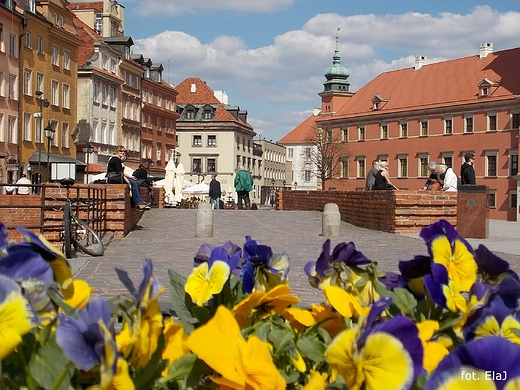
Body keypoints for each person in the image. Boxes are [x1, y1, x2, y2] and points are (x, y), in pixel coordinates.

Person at [107, 146, 150, 210]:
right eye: (121, 151)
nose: (123, 152)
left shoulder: (117, 160)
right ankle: (138, 202)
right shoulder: (116, 159)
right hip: (114, 177)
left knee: (135, 183)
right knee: (134, 183)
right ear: (116, 152)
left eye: (124, 151)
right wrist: (131, 177)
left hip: (117, 176)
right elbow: (120, 172)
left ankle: (137, 202)